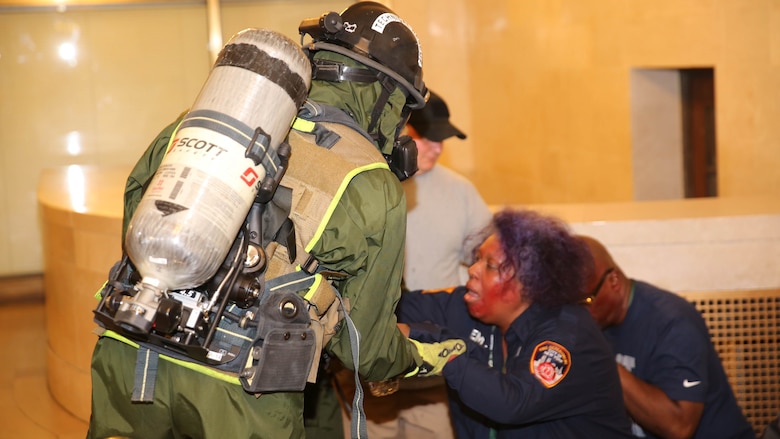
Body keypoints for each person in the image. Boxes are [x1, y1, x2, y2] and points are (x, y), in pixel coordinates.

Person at [87, 3, 465, 438]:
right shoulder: (371, 182)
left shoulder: (204, 125)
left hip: (132, 350)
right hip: (244, 389)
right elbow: (368, 348)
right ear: (384, 96)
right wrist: (422, 358)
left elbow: (136, 218)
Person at [396, 208, 635, 438]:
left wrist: (438, 347)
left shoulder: (568, 335)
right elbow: (396, 309)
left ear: (530, 283)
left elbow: (511, 402)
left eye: (490, 265)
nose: (473, 270)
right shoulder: (464, 306)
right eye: (477, 258)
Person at [350, 91, 492, 439]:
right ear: (399, 129)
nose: (437, 148)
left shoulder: (460, 191)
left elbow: (489, 259)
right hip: (373, 365)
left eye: (442, 140)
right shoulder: (367, 182)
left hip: (433, 368)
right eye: (426, 138)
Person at [578, 235, 755, 439]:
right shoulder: (598, 321)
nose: (579, 314)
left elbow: (679, 427)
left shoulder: (672, 322)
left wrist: (603, 361)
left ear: (614, 282)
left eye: (585, 302)